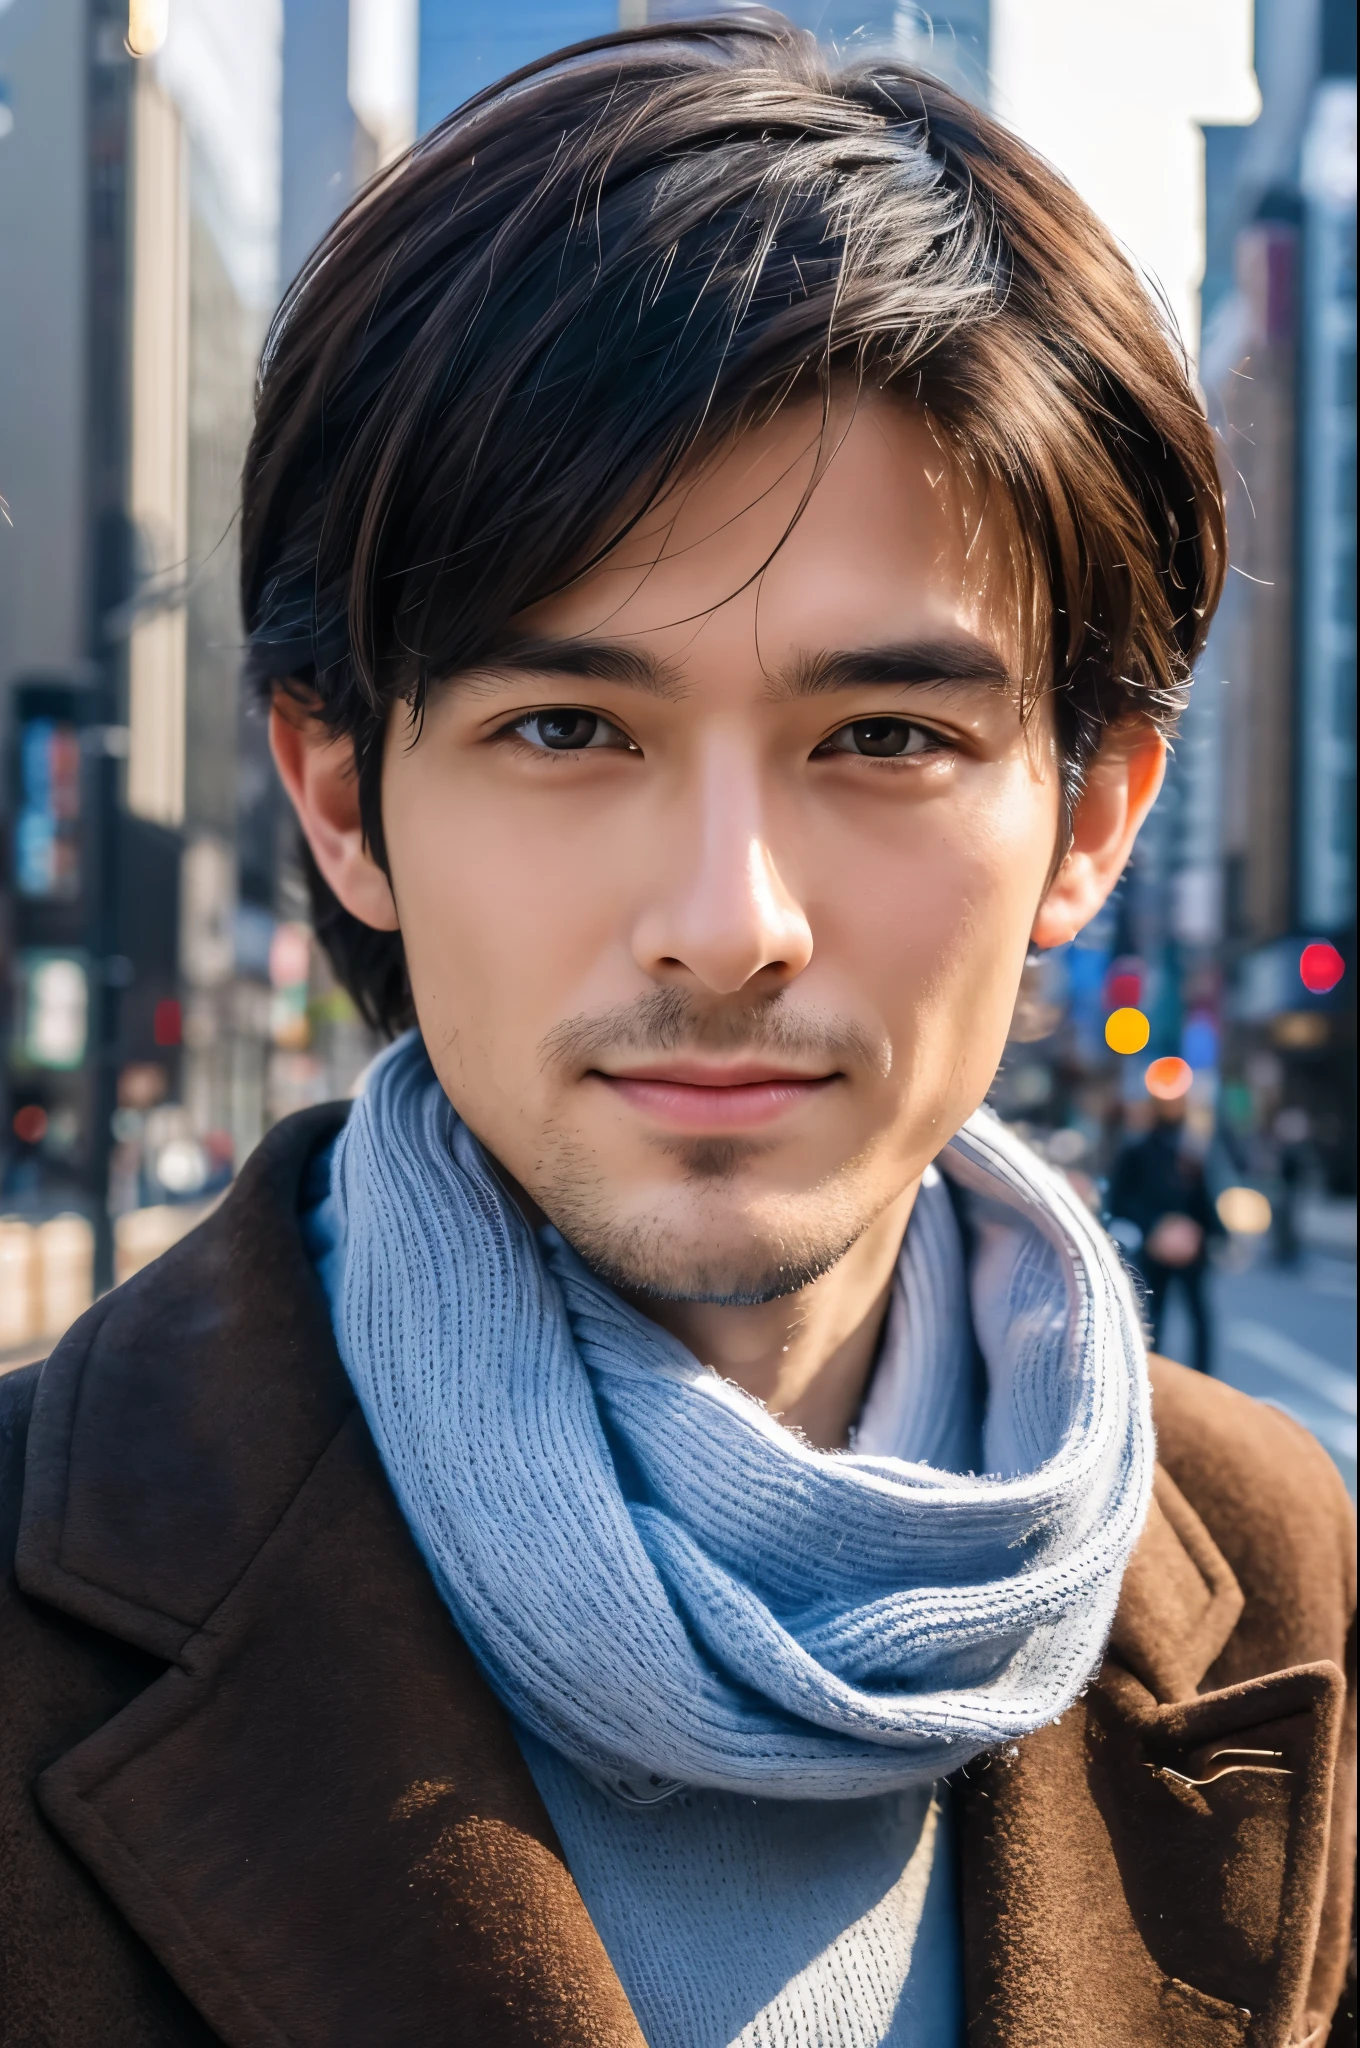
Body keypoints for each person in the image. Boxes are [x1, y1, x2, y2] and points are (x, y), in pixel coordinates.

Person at [2, 17, 1354, 2046]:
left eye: (883, 735)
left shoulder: (1291, 1570)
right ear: (342, 793)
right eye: (566, 728)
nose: (730, 923)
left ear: (1090, 812)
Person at [1108, 1096, 1222, 1374]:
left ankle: (1203, 1378)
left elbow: (1203, 1197)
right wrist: (1155, 1228)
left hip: (1191, 1248)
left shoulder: (1192, 1151)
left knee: (1199, 1316)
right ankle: (1152, 1375)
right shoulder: (1137, 1151)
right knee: (1154, 1315)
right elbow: (1120, 1199)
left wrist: (1210, 1232)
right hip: (1155, 1248)